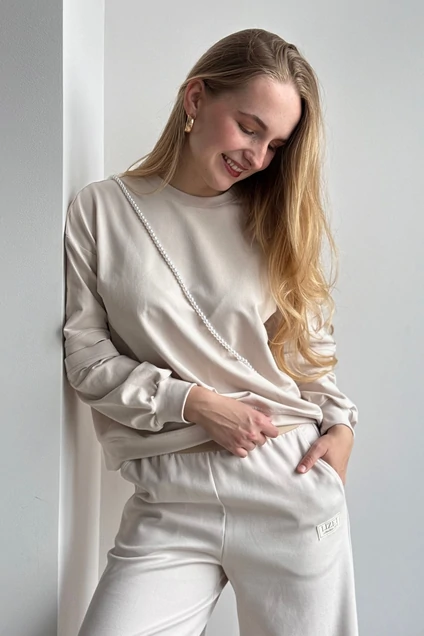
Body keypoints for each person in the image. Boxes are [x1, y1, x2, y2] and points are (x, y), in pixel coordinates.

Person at [63, 28, 358, 636]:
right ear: (196, 98)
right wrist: (193, 402)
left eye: (275, 145)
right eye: (249, 128)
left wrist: (342, 424)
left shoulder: (273, 220)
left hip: (285, 481)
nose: (258, 157)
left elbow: (307, 350)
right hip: (168, 499)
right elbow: (86, 355)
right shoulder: (101, 210)